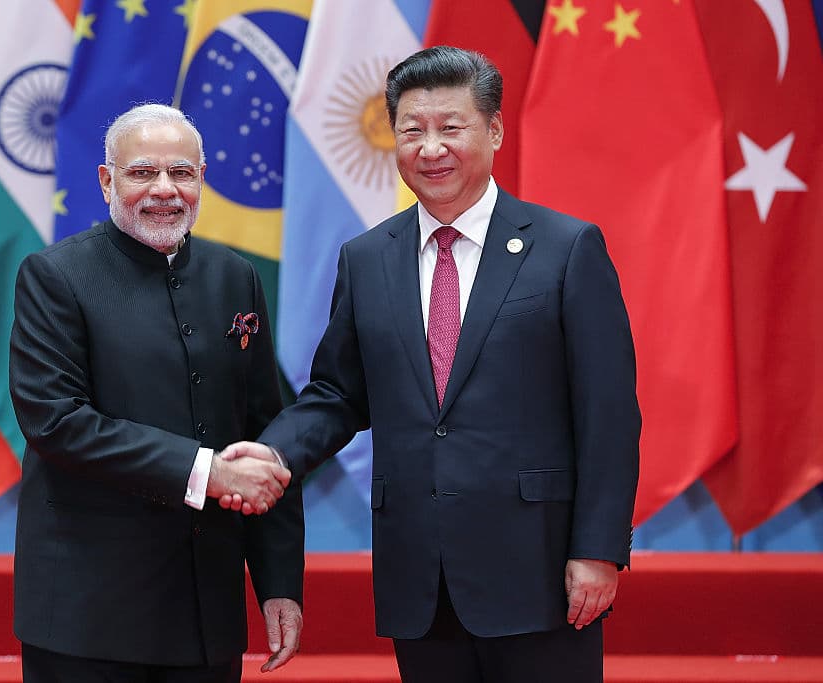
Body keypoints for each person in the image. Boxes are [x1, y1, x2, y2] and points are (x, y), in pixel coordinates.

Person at [221, 46, 640, 682]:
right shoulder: (367, 258)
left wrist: (598, 549)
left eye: (452, 127)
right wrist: (274, 454)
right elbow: (337, 392)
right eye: (412, 130)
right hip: (419, 572)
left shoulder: (565, 249)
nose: (430, 147)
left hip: (541, 567)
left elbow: (608, 413)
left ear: (494, 130)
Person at [9, 103, 303, 683]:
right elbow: (57, 423)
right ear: (106, 180)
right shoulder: (53, 277)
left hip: (205, 612)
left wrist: (278, 585)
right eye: (143, 172)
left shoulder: (234, 277)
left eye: (182, 173)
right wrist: (206, 473)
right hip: (87, 614)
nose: (165, 190)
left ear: (202, 181)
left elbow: (263, 434)